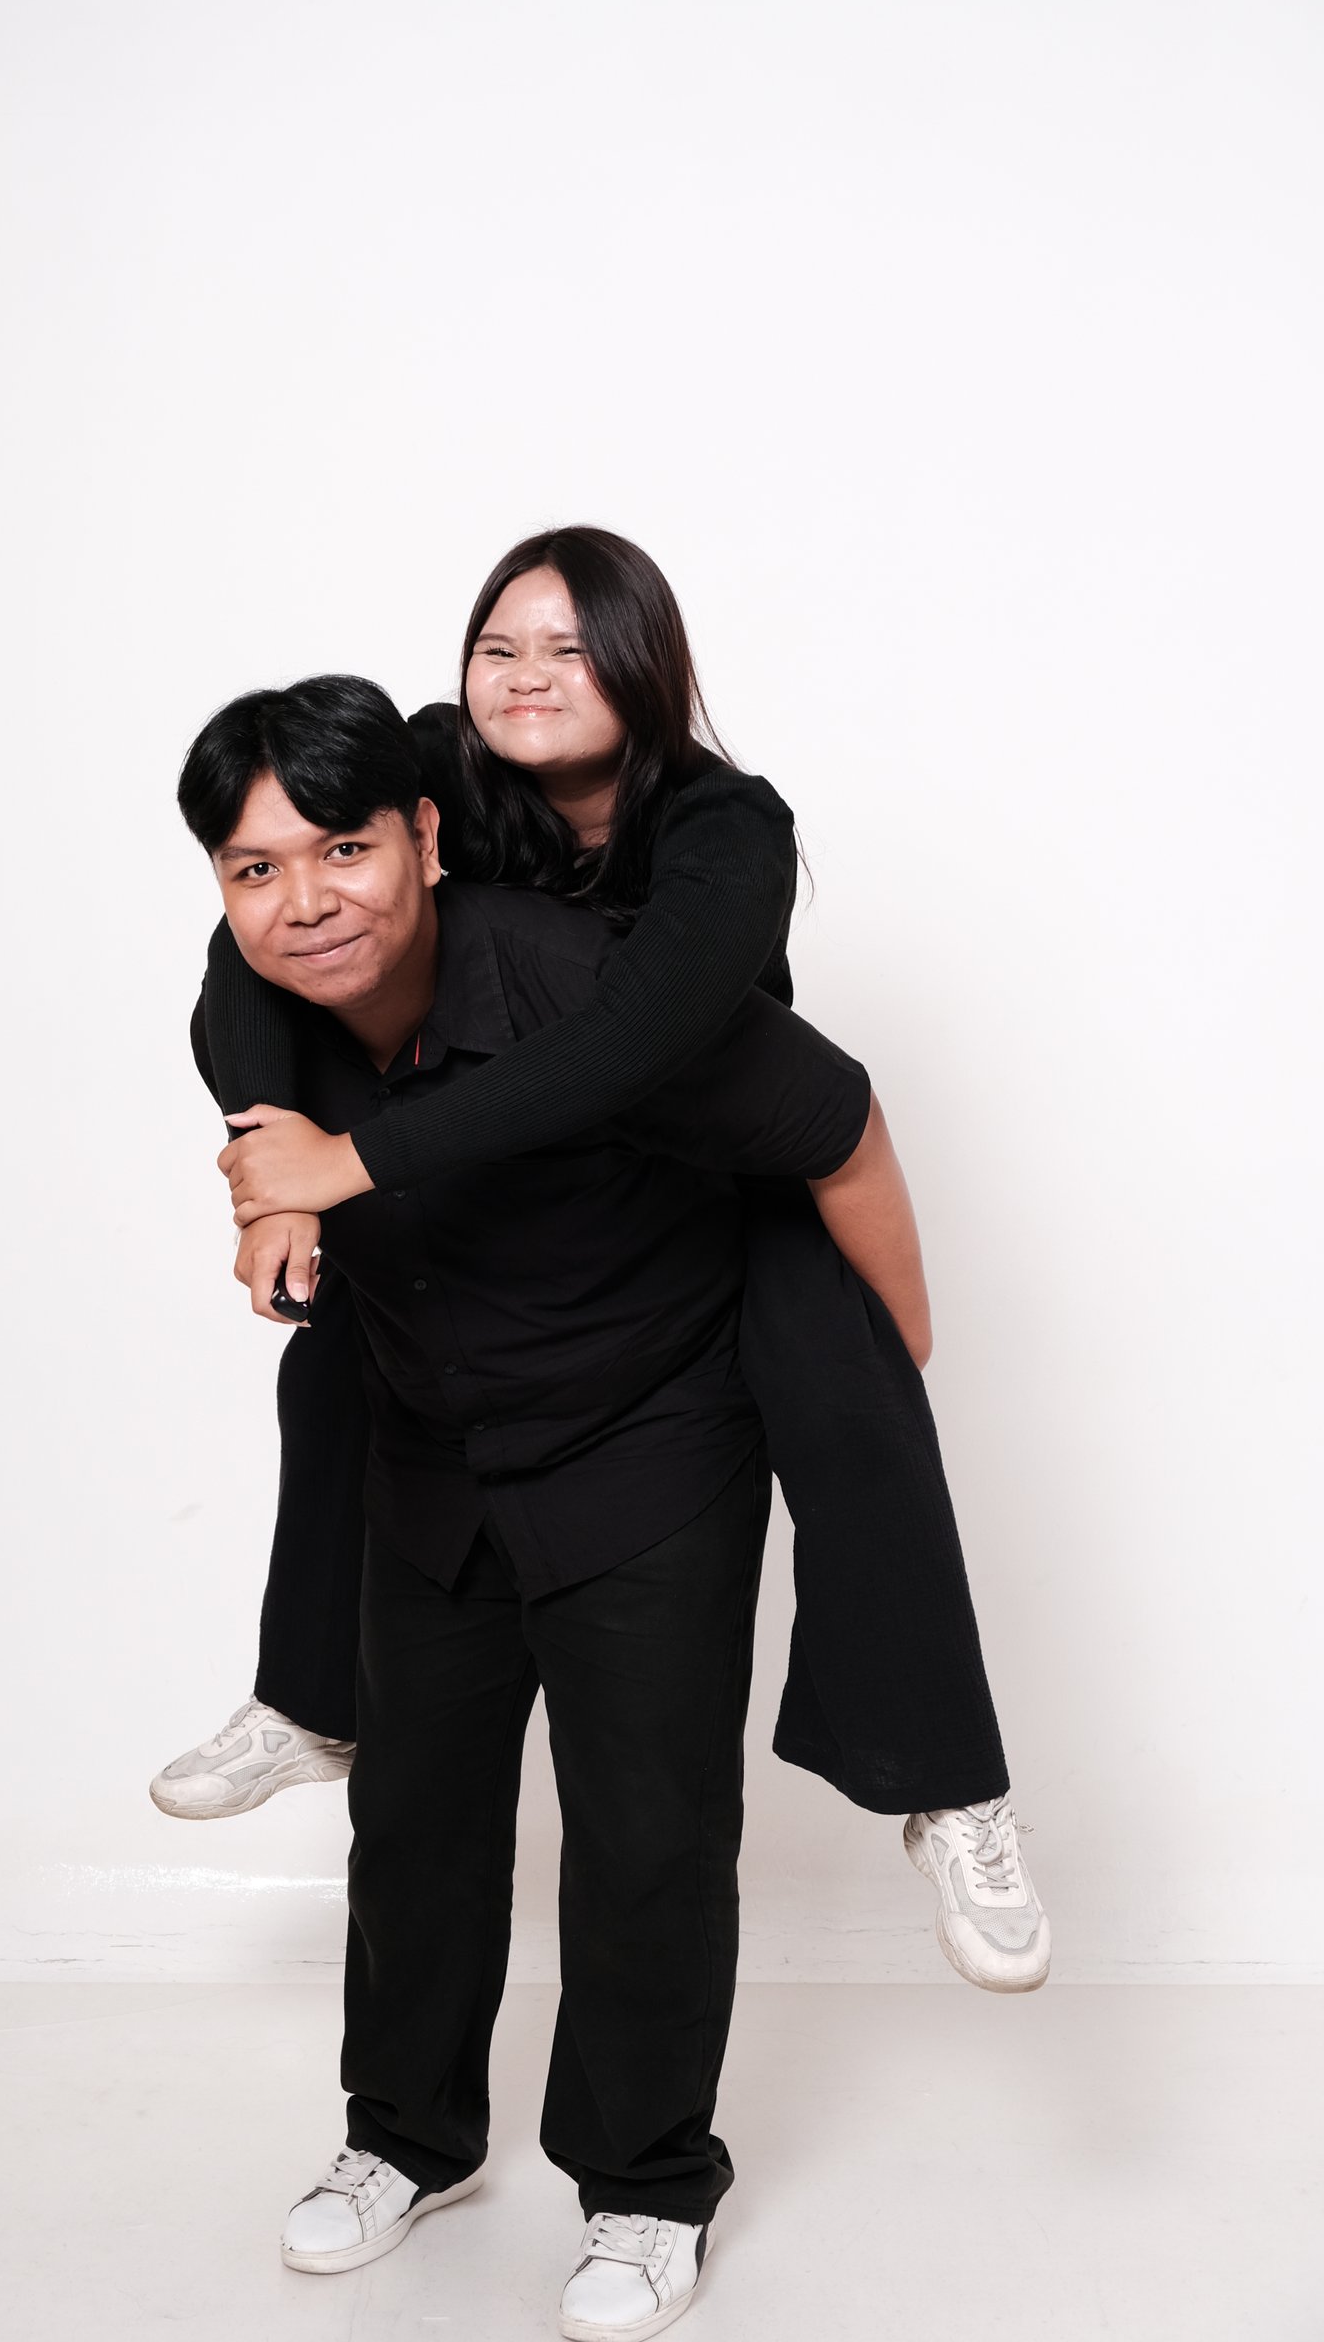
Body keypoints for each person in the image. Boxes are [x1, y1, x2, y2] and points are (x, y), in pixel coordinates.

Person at [156, 527, 1050, 1998]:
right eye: (498, 645)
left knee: (854, 1397)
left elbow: (635, 1049)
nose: (527, 676)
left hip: (719, 1158)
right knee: (340, 1362)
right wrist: (274, 1168)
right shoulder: (437, 769)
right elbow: (252, 926)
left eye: (571, 648)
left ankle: (952, 1791)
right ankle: (309, 1704)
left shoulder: (723, 826)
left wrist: (902, 1328)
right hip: (533, 1191)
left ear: (647, 664)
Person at [174, 672, 920, 2333]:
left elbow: (828, 1112)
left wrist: (892, 1364)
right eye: (255, 870)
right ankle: (405, 2138)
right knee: (415, 1823)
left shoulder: (586, 984)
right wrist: (265, 1195)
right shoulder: (268, 1015)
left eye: (345, 851)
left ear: (427, 837)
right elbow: (256, 1102)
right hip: (438, 1455)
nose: (307, 902)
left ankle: (648, 2187)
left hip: (647, 1447)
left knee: (648, 1836)